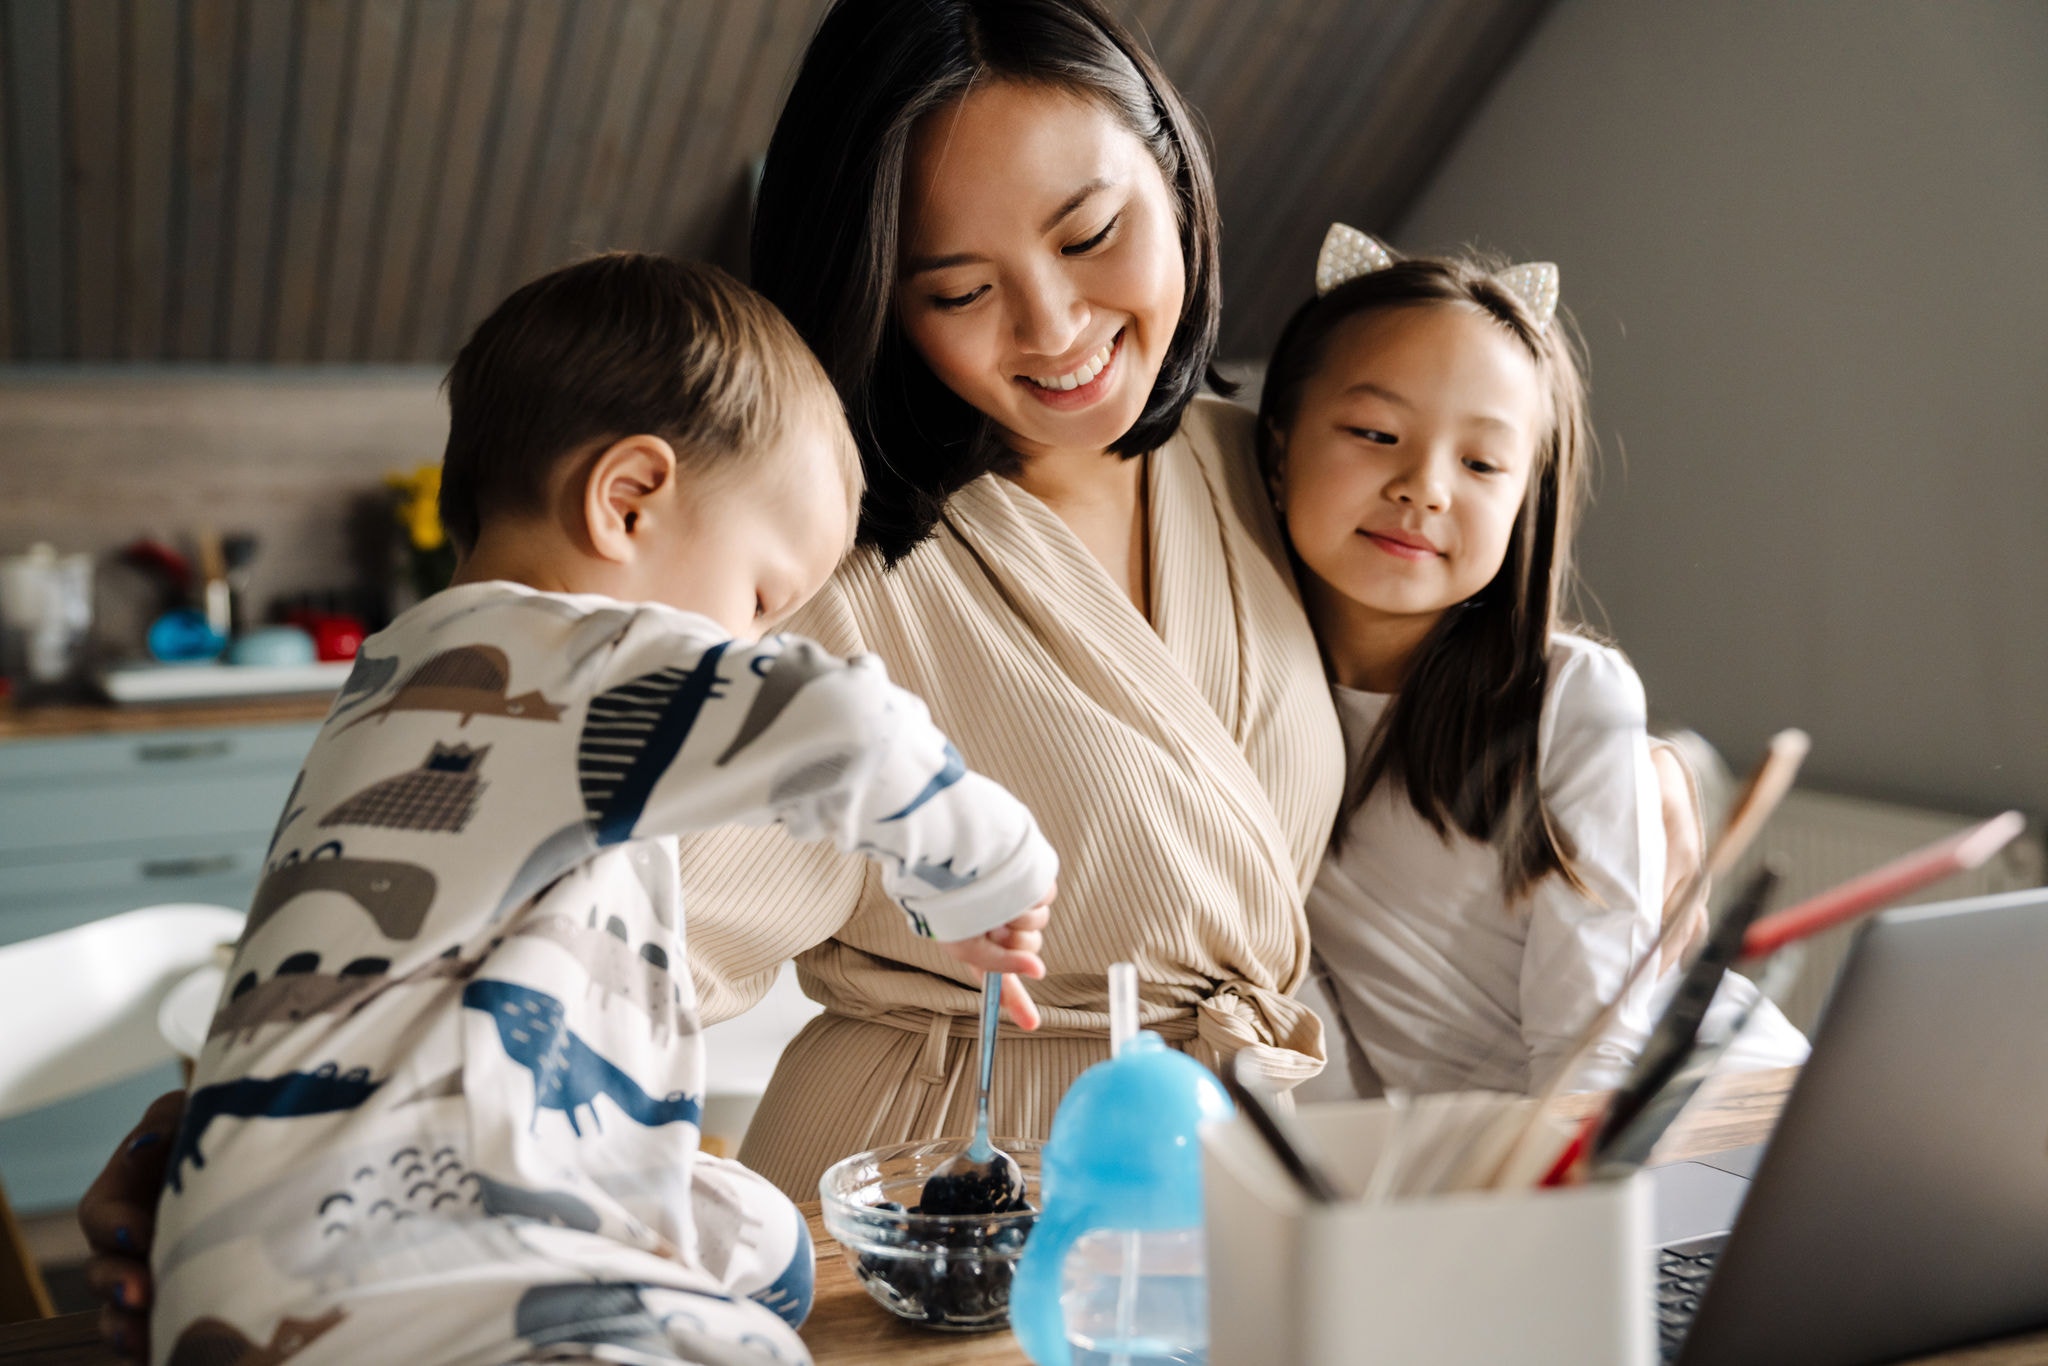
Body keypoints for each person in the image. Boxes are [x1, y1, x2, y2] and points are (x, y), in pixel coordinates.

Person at [80, 4, 1708, 1350]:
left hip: (1242, 1185)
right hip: (948, 1220)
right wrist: (246, 1126)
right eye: (957, 289)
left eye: (1091, 234)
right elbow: (548, 874)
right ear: (876, 291)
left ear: (1179, 184)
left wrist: (1624, 793)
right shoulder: (822, 569)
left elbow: (1465, 676)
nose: (1058, 325)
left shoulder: (1269, 462)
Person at [144, 253, 1056, 1366]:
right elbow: (848, 729)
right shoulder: (547, 654)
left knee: (758, 1235)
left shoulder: (411, 676)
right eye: (762, 597)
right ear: (625, 500)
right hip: (404, 1278)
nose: (761, 643)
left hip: (266, 1267)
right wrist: (981, 873)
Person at [1261, 228, 1806, 1095]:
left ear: (1526, 503)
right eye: (1374, 431)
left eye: (1481, 462)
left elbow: (1592, 1061)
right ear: (1280, 448)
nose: (1426, 487)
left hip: (1705, 1126)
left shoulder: (1572, 697)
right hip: (1484, 1170)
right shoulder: (1237, 693)